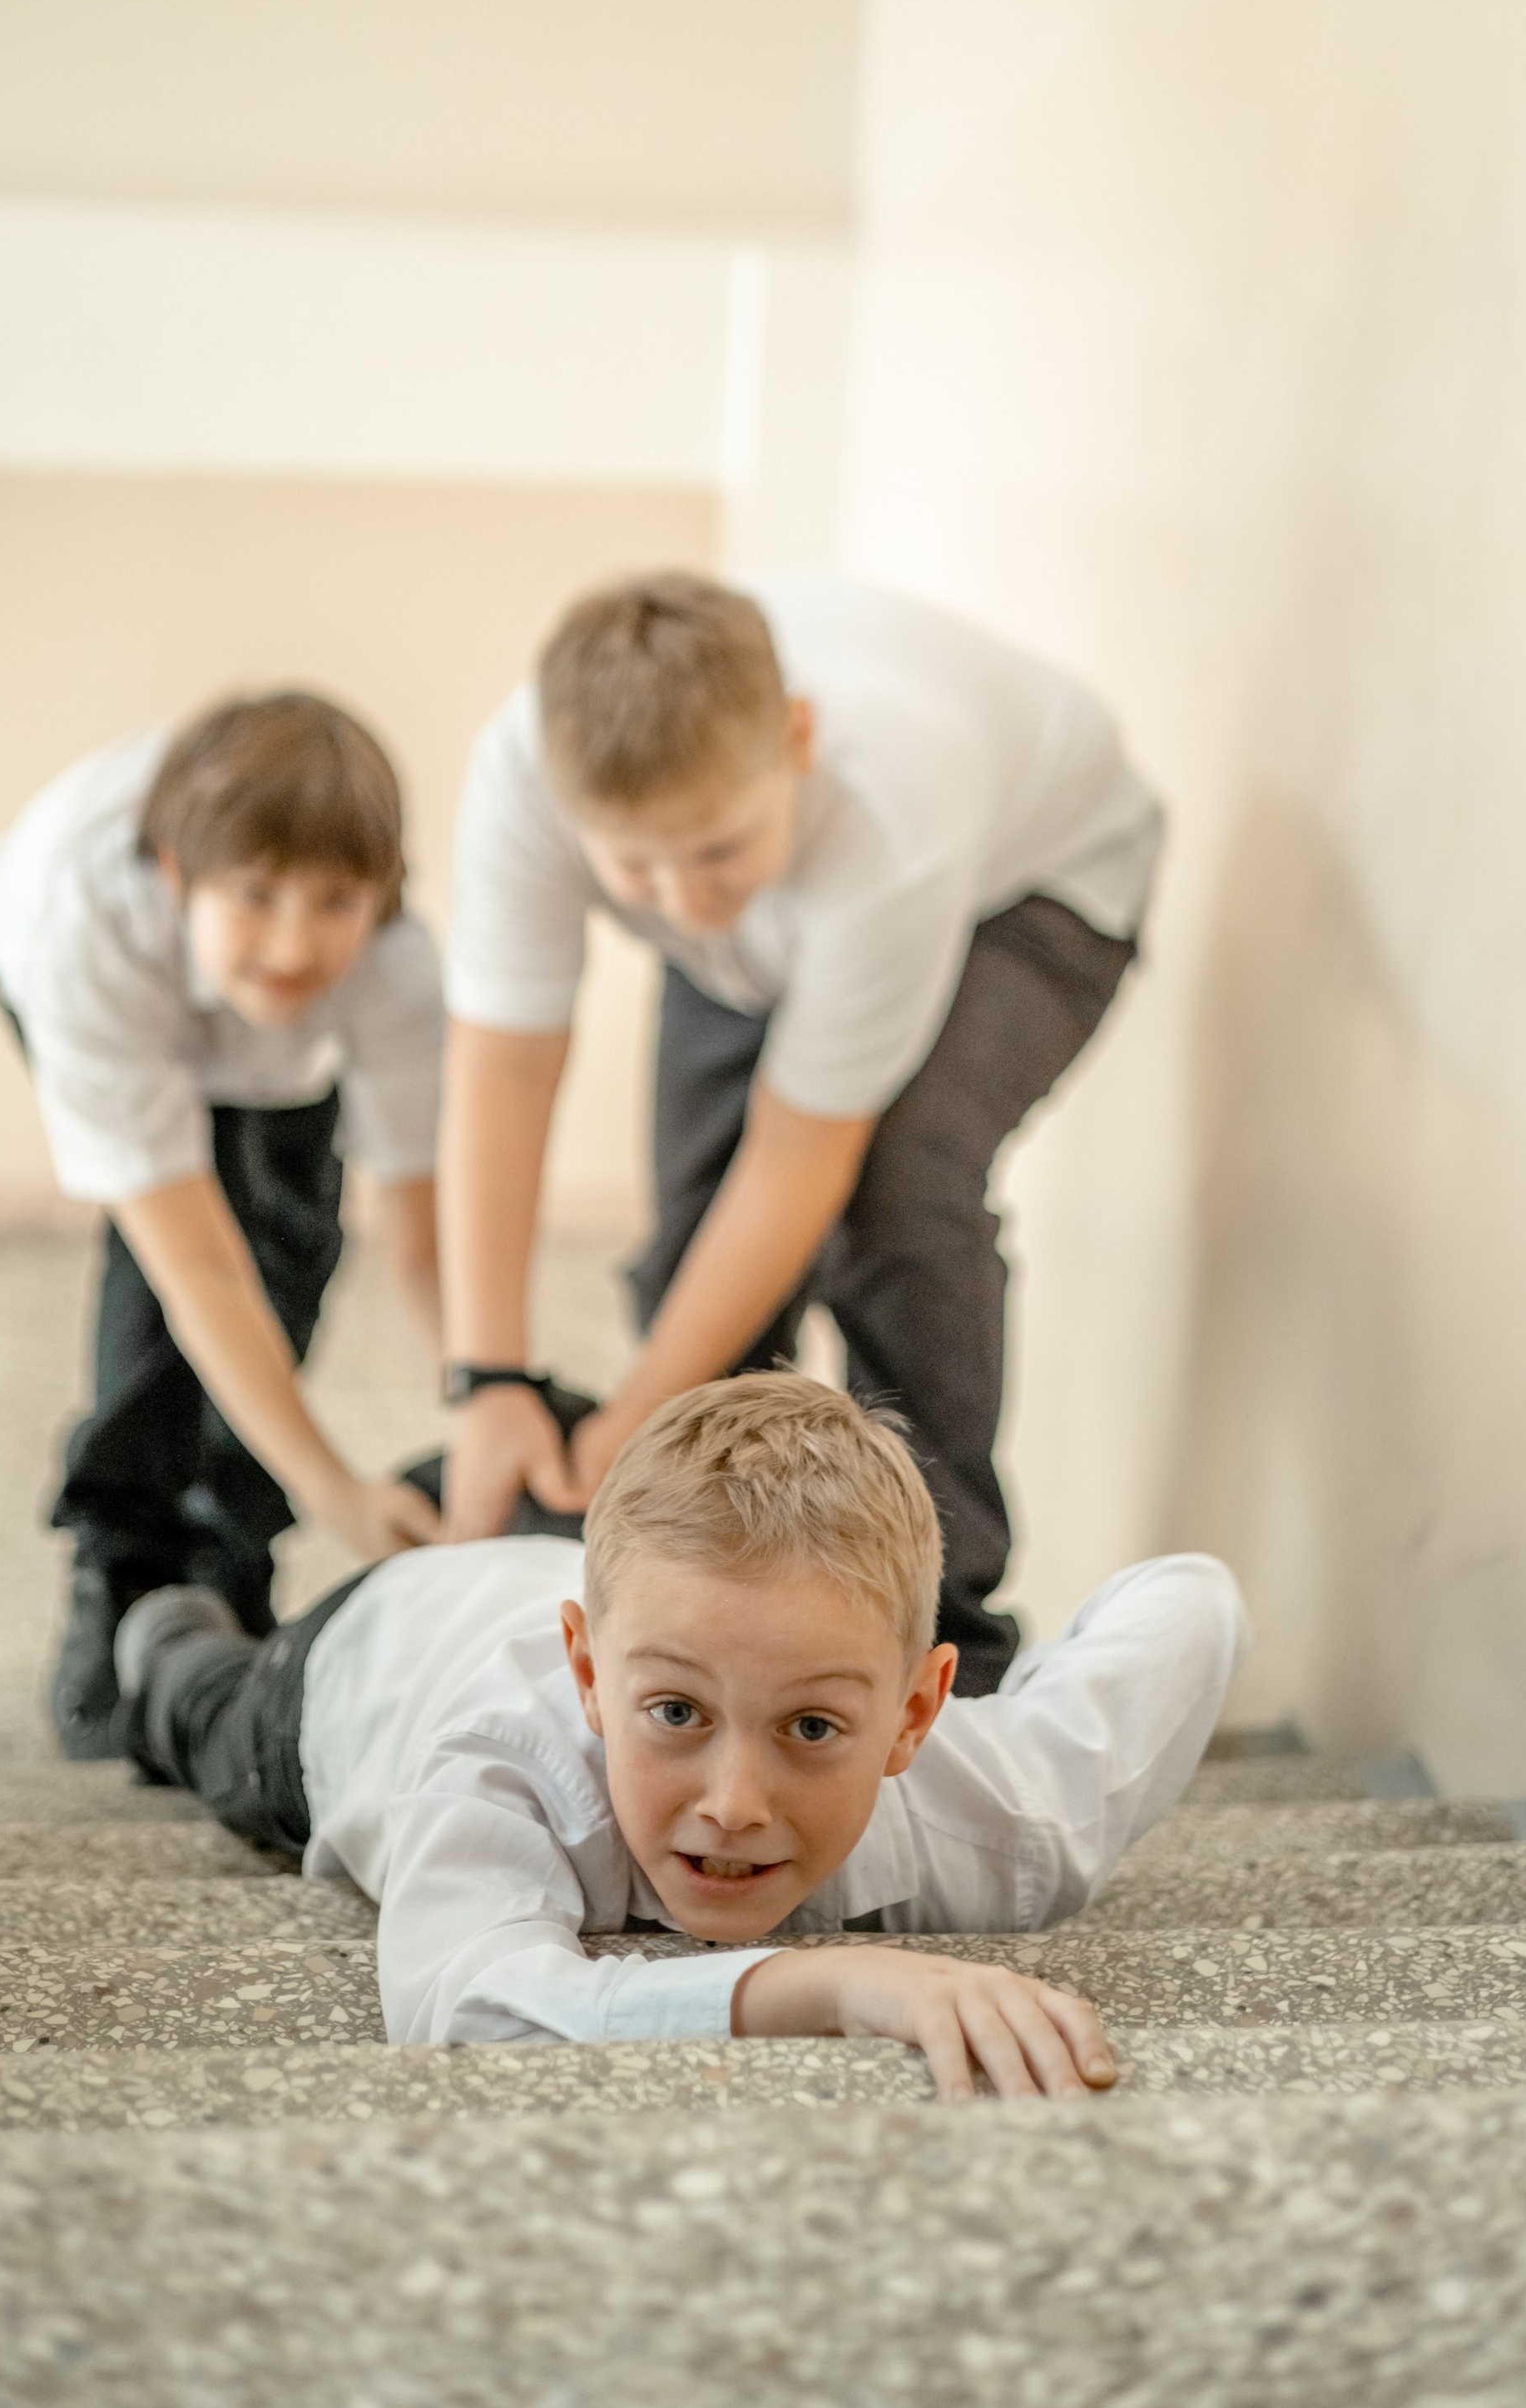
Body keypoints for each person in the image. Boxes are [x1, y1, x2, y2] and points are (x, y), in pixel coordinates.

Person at [436, 571, 1165, 1690]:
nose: (681, 901)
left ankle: (944, 1632)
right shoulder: (526, 772)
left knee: (891, 1201)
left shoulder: (899, 804)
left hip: (1034, 886)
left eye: (713, 850)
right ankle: (716, 1604)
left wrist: (632, 1423)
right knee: (696, 1264)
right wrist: (487, 1381)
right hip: (799, 898)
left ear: (797, 739)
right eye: (635, 866)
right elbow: (506, 1064)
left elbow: (799, 1157)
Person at [113, 1373, 1247, 2089]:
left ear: (914, 1714)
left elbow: (1194, 1601)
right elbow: (465, 2009)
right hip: (357, 1668)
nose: (735, 1802)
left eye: (811, 1724)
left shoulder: (1005, 1819)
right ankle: (164, 1629)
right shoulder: (503, 1762)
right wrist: (841, 1986)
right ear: (588, 1678)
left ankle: (503, 1503)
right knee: (192, 1702)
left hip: (573, 1586)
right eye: (674, 1717)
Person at [0, 691, 446, 1760]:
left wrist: (486, 1392)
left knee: (289, 1240)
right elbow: (199, 1273)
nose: (292, 939)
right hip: (93, 974)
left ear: (386, 897)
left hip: (264, 1030)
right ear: (181, 875)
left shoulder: (399, 968)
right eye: (258, 895)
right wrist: (339, 1492)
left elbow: (417, 1235)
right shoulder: (80, 929)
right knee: (169, 1267)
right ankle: (123, 1566)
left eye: (336, 900)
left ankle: (229, 1551)